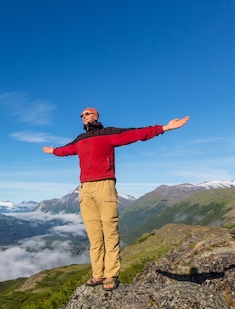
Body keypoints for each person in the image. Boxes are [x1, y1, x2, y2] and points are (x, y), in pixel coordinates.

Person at [43, 108, 189, 291]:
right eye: (81, 115)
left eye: (87, 113)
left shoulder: (109, 134)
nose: (84, 116)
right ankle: (98, 274)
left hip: (105, 186)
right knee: (94, 236)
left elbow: (136, 134)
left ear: (96, 116)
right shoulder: (80, 140)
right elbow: (66, 149)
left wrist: (164, 128)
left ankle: (111, 274)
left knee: (110, 232)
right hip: (84, 189)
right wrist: (53, 151)